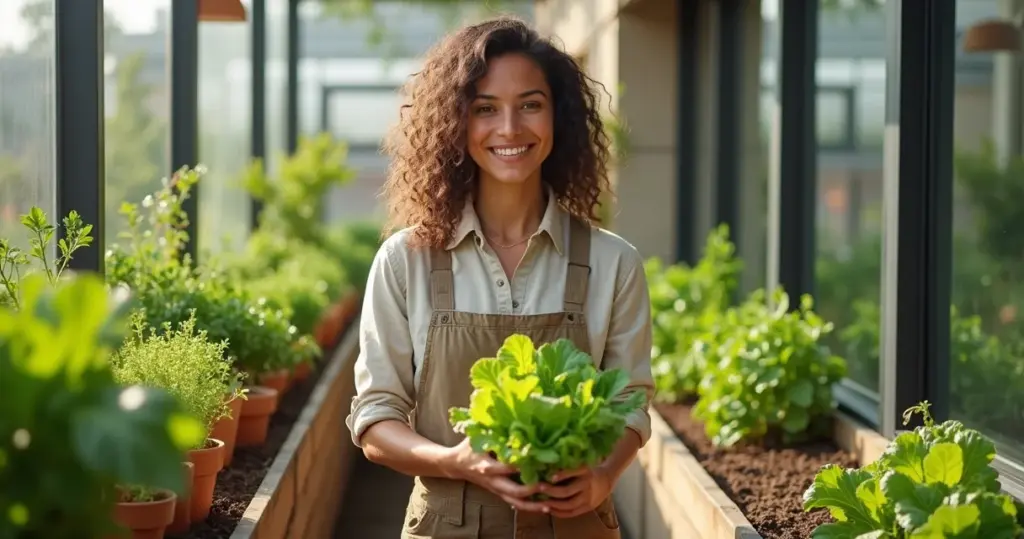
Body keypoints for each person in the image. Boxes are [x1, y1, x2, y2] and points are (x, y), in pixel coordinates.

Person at [345, 15, 654, 539]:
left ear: (560, 117)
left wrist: (603, 476)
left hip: (576, 525)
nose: (510, 129)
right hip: (447, 525)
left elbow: (631, 404)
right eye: (485, 109)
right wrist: (453, 461)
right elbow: (375, 420)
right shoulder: (405, 260)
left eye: (530, 104)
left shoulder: (614, 263)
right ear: (455, 123)